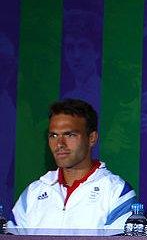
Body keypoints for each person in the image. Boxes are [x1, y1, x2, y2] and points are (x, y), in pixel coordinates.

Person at [11, 99, 135, 231]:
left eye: (69, 135)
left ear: (92, 138)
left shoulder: (116, 191)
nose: (59, 144)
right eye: (53, 135)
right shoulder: (32, 193)